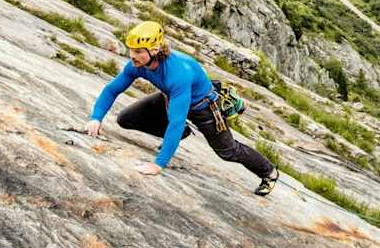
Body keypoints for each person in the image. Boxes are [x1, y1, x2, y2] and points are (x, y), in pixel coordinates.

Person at [86, 20, 279, 195]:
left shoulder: (177, 73)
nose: (132, 56)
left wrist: (158, 164)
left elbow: (176, 122)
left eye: (138, 51)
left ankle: (269, 172)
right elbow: (111, 90)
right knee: (125, 119)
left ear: (154, 50)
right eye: (131, 50)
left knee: (228, 151)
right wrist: (96, 118)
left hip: (204, 108)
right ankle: (182, 134)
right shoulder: (136, 65)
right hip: (172, 97)